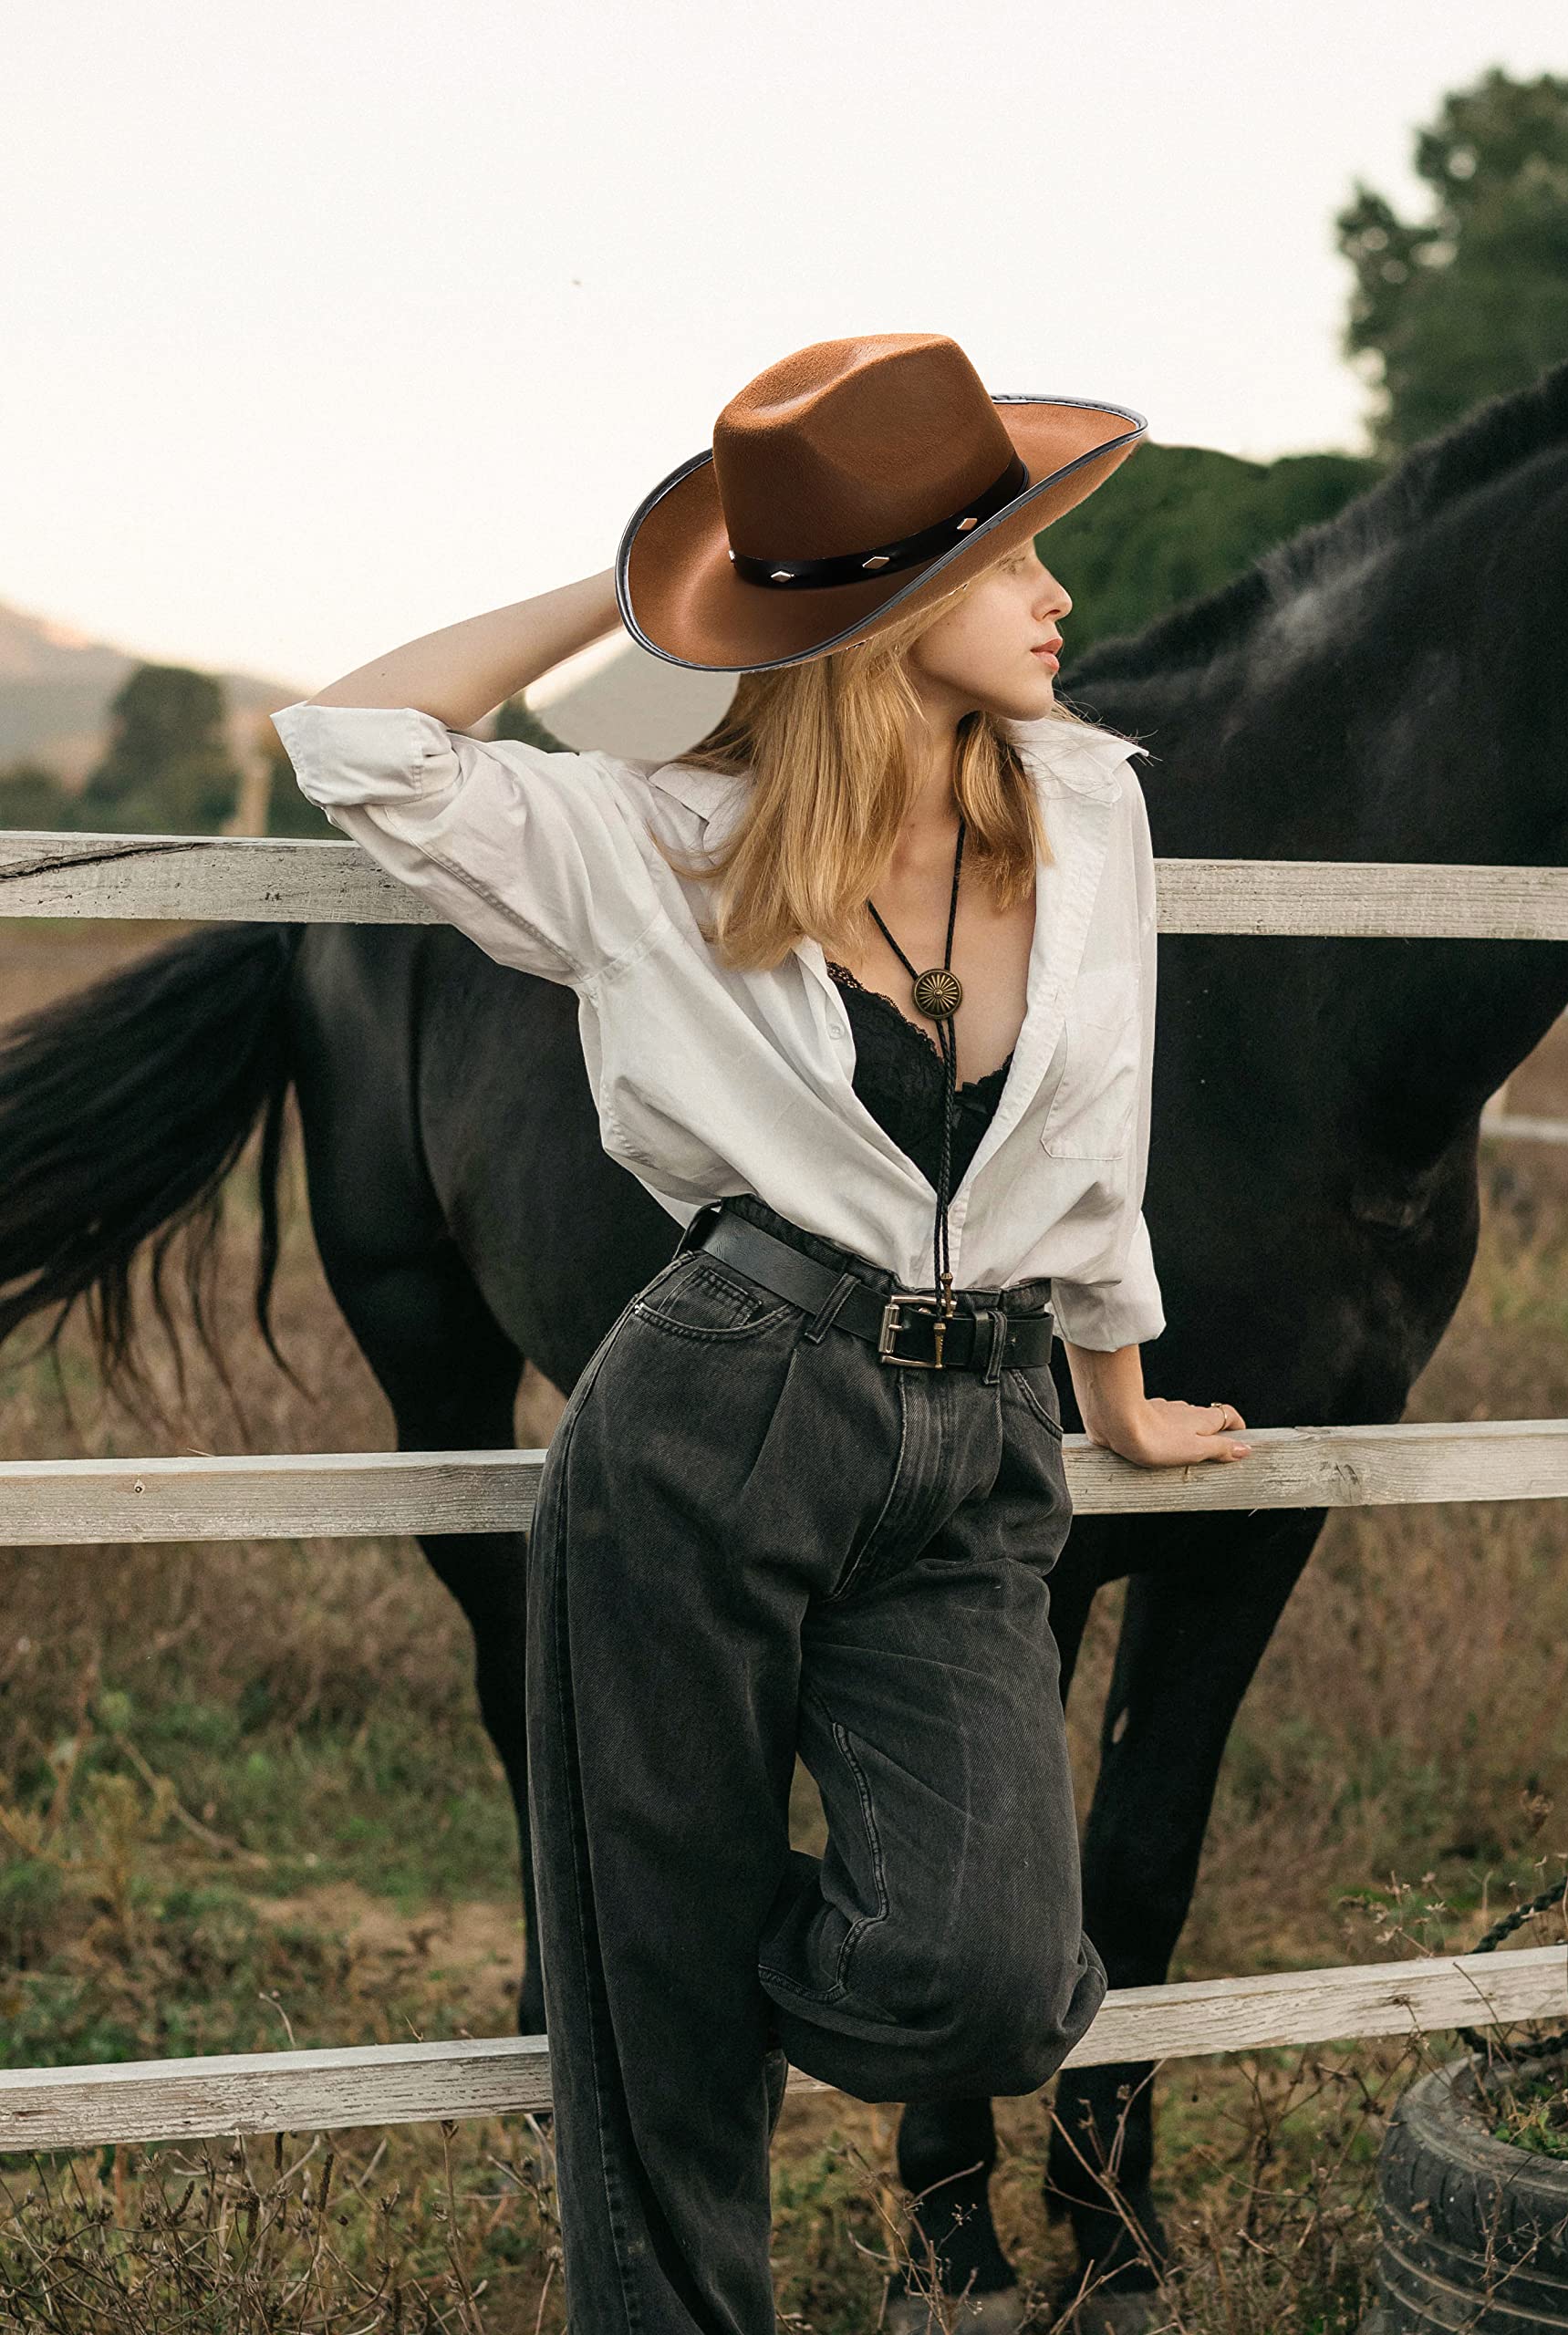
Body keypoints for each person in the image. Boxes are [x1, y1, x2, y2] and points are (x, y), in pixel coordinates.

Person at [270, 333, 1251, 2335]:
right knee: (668, 2070)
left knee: (985, 1966)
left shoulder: (1090, 808)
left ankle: (659, 1953)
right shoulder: (653, 840)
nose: (1061, 597)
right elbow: (357, 742)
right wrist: (648, 583)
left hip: (973, 1434)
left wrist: (1117, 1389)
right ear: (873, 610)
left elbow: (1100, 1131)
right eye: (1006, 563)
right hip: (715, 1404)